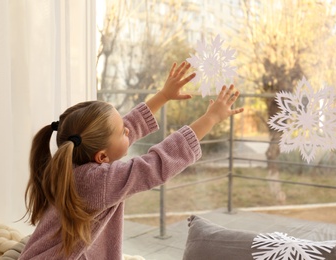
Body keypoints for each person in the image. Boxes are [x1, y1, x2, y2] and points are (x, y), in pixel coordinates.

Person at [20, 61, 244, 259]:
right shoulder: (99, 181)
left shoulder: (72, 162)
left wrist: (163, 96)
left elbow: (126, 127)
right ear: (102, 157)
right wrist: (211, 118)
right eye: (122, 132)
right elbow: (156, 164)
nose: (128, 130)